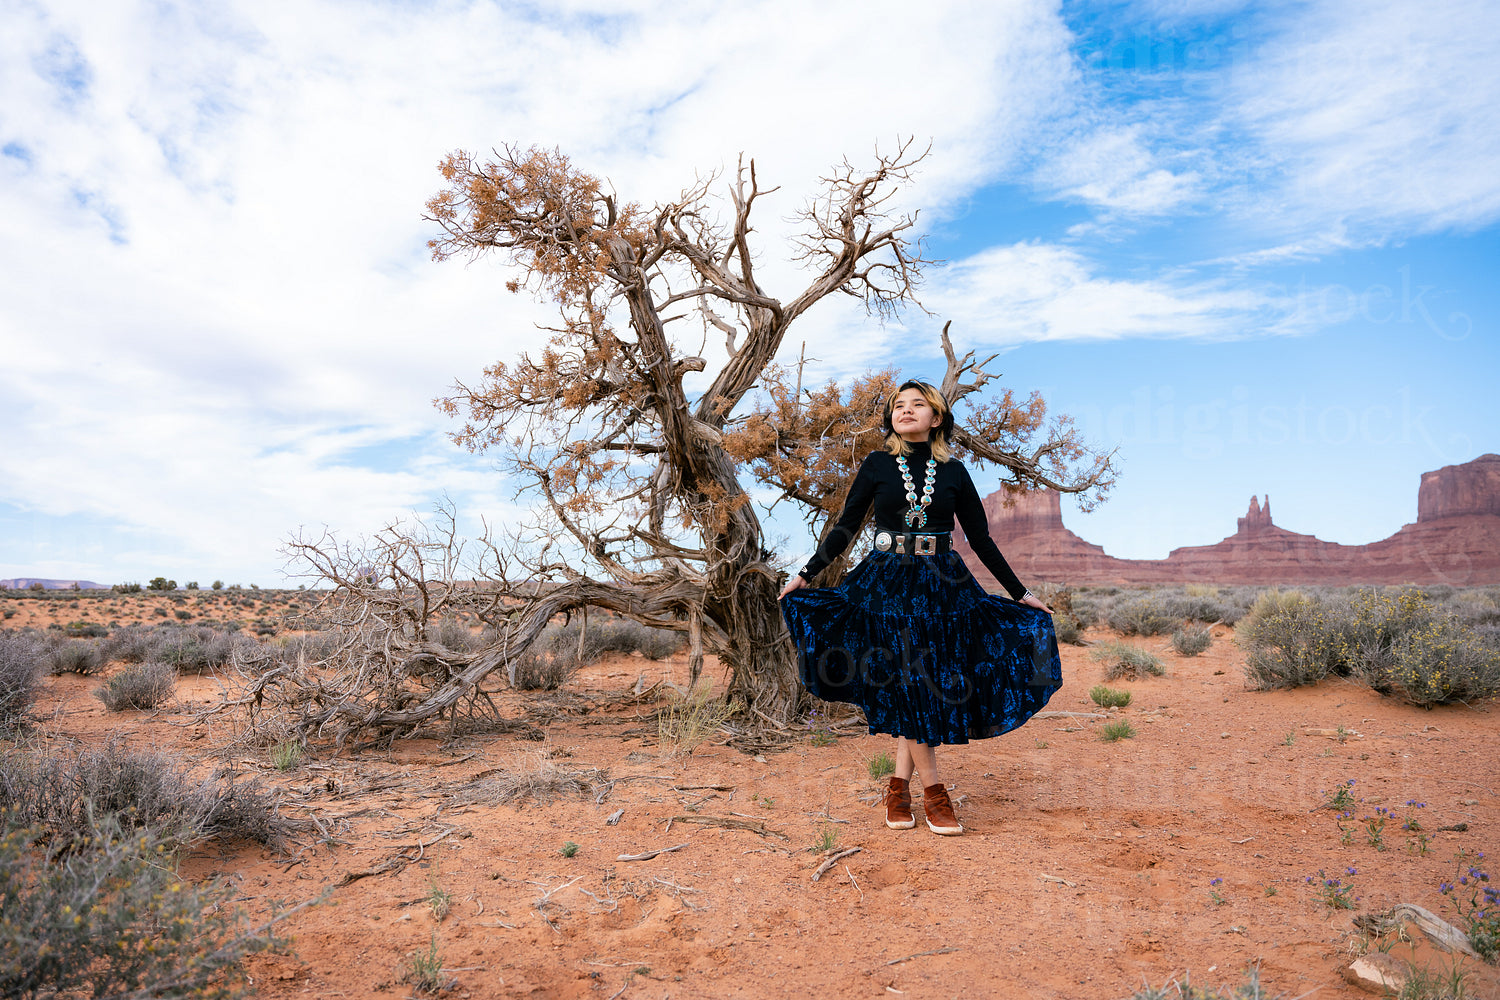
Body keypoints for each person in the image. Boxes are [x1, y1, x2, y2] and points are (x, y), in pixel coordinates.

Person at [778, 380, 1062, 836]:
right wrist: (807, 575)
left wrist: (1019, 593)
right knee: (912, 680)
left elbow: (981, 540)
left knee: (922, 685)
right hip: (886, 584)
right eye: (897, 406)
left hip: (943, 585)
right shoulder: (876, 464)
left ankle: (897, 788)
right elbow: (846, 525)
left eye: (917, 405)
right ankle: (935, 793)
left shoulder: (955, 472)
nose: (905, 411)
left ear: (937, 417)